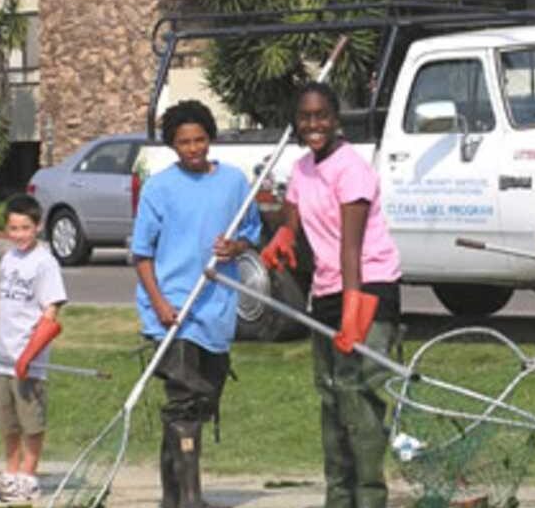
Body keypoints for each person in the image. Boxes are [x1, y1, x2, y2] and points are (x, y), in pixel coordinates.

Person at [261, 81, 401, 508]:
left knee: (360, 394)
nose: (314, 124)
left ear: (336, 118)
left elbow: (351, 246)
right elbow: (293, 207)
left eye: (321, 115)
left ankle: (369, 498)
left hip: (367, 286)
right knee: (331, 394)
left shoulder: (352, 169)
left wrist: (354, 310)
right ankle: (338, 498)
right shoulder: (303, 168)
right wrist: (285, 231)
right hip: (327, 289)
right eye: (305, 117)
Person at [131, 99, 261, 508]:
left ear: (210, 138)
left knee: (197, 406)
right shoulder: (159, 187)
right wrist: (160, 304)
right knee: (183, 404)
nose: (193, 148)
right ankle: (191, 498)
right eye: (184, 142)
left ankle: (171, 497)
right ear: (173, 145)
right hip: (173, 314)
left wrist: (235, 245)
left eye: (199, 140)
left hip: (216, 310)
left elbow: (252, 235)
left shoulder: (234, 183)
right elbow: (141, 254)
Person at [0, 194, 67, 503]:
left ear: (37, 226)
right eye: (13, 228)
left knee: (30, 421)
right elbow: (3, 308)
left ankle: (28, 475)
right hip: (4, 359)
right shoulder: (8, 259)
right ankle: (10, 471)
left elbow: (50, 316)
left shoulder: (45, 263)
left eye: (25, 227)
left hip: (29, 360)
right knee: (7, 421)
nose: (19, 234)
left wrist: (28, 355)